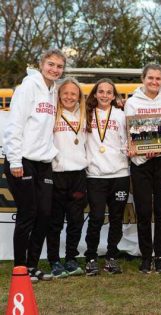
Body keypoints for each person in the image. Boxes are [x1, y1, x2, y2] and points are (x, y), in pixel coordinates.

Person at [3, 48, 66, 282]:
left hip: (43, 162)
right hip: (24, 161)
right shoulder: (28, 86)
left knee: (44, 214)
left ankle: (32, 266)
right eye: (51, 64)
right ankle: (20, 268)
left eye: (59, 66)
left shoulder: (53, 90)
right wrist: (16, 160)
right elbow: (14, 125)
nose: (55, 69)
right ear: (41, 64)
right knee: (27, 214)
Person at [125, 64, 161, 274]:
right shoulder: (132, 102)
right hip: (141, 164)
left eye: (158, 78)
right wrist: (140, 149)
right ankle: (146, 256)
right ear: (143, 78)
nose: (154, 82)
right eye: (151, 78)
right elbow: (130, 133)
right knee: (144, 211)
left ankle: (160, 256)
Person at [84, 78, 130, 276]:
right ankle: (91, 257)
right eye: (100, 91)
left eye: (108, 92)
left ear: (114, 95)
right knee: (95, 217)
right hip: (95, 174)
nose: (104, 95)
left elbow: (129, 138)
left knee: (117, 218)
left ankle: (112, 256)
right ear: (95, 94)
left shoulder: (121, 115)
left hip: (120, 173)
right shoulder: (85, 114)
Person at [46, 78, 88, 278]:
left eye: (74, 93)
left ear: (79, 96)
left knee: (75, 220)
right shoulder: (51, 114)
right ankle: (54, 260)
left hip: (78, 174)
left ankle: (71, 258)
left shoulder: (84, 115)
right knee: (54, 221)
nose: (70, 97)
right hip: (56, 174)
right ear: (59, 94)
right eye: (66, 93)